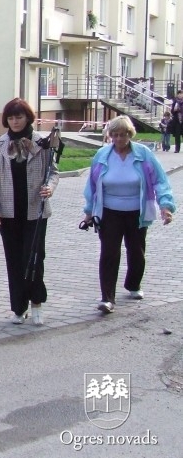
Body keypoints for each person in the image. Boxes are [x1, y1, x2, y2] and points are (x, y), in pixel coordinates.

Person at [83, 115, 175, 314]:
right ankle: (107, 298)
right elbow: (92, 184)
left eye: (122, 135)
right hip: (109, 212)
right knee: (109, 253)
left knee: (136, 251)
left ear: (130, 134)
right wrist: (89, 211)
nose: (118, 139)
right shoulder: (102, 155)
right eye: (114, 135)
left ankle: (133, 284)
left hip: (136, 211)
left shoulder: (143, 154)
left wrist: (165, 206)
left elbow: (160, 181)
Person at [0, 98, 59, 326]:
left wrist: (50, 187)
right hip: (8, 213)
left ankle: (36, 302)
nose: (15, 122)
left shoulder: (42, 142)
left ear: (28, 117)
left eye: (19, 117)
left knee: (34, 258)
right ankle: (18, 306)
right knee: (14, 260)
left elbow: (53, 171)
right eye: (11, 117)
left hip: (35, 212)